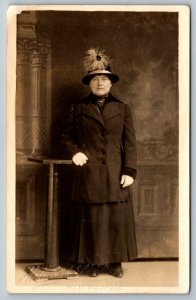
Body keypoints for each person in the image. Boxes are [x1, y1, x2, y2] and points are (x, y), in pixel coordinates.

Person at [60, 48, 137, 278]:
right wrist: (74, 152)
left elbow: (130, 142)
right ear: (89, 84)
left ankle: (114, 263)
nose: (100, 83)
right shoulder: (78, 108)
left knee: (114, 218)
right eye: (95, 79)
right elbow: (64, 136)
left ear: (111, 83)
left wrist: (130, 169)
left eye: (104, 78)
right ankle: (92, 264)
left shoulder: (123, 109)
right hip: (89, 173)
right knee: (92, 219)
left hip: (115, 173)